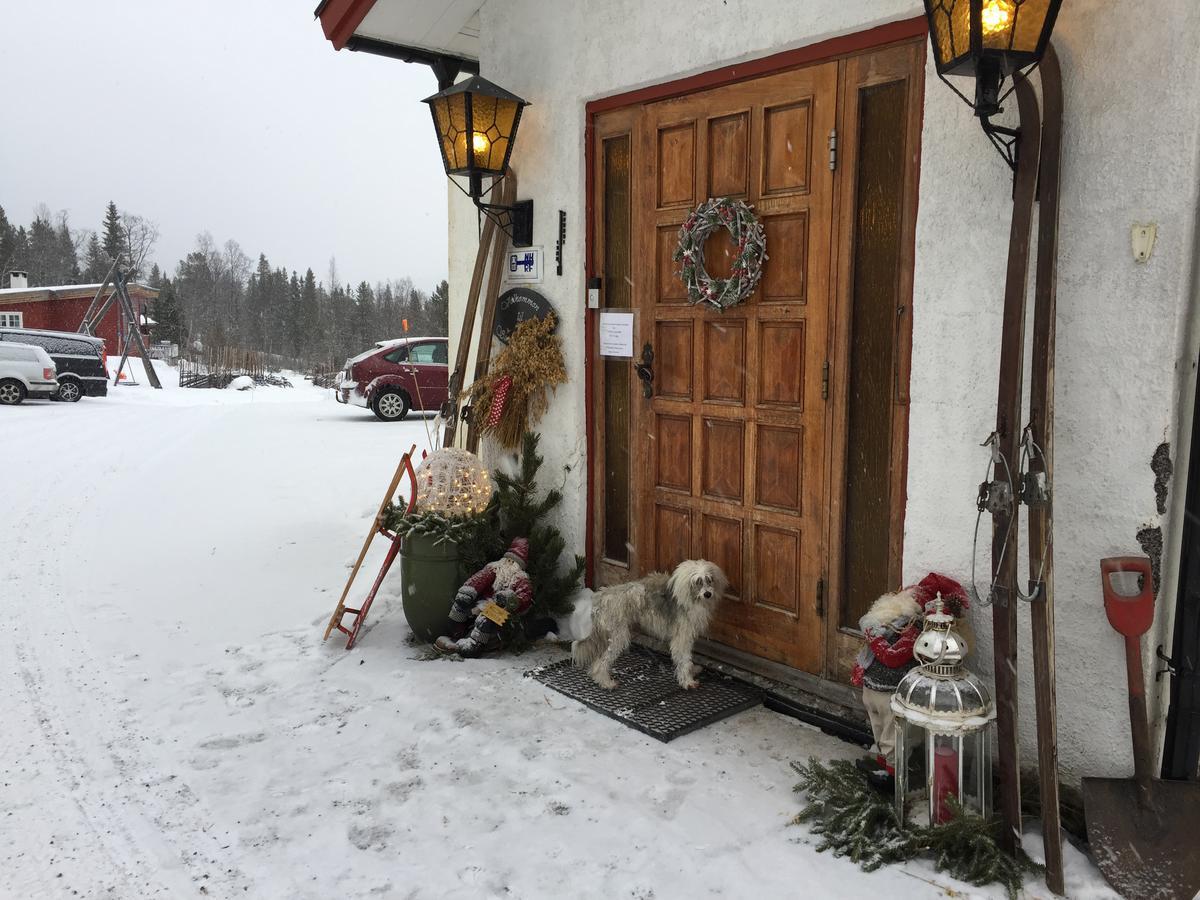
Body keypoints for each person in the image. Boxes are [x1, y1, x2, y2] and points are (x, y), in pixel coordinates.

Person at [851, 572, 970, 791]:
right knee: (879, 732)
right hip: (872, 687)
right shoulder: (891, 621)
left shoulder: (916, 631)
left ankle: (891, 779)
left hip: (890, 692)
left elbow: (892, 656)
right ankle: (879, 766)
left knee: (891, 739)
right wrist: (873, 627)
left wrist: (872, 633)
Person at [434, 537, 531, 657]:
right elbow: (479, 579)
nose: (509, 563)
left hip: (502, 613)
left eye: (514, 561)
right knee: (461, 603)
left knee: (487, 616)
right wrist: (468, 591)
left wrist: (509, 599)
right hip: (482, 604)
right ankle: (455, 634)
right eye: (508, 559)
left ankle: (473, 646)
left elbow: (524, 599)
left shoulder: (521, 579)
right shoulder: (495, 569)